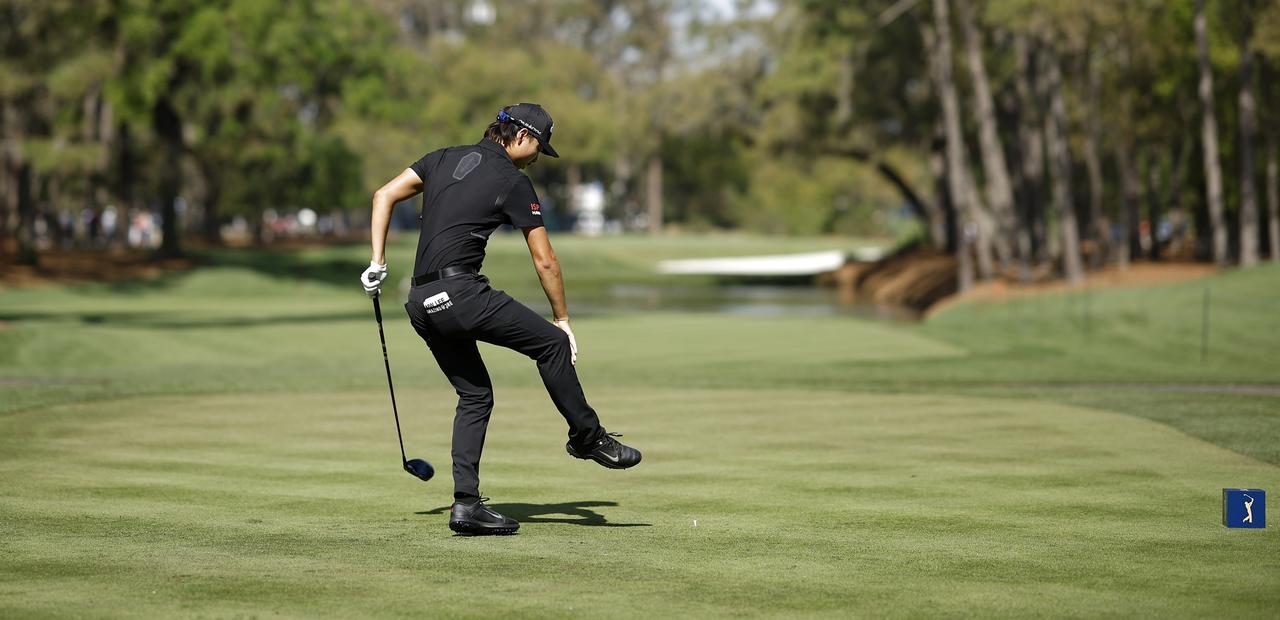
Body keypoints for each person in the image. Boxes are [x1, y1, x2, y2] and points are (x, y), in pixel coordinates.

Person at [360, 103, 641, 536]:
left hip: (421, 301)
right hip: (461, 294)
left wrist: (377, 262)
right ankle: (588, 438)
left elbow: (383, 195)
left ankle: (466, 506)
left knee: (475, 395)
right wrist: (562, 320)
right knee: (551, 345)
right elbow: (545, 260)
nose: (534, 158)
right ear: (522, 136)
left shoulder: (440, 157)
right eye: (537, 148)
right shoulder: (513, 181)